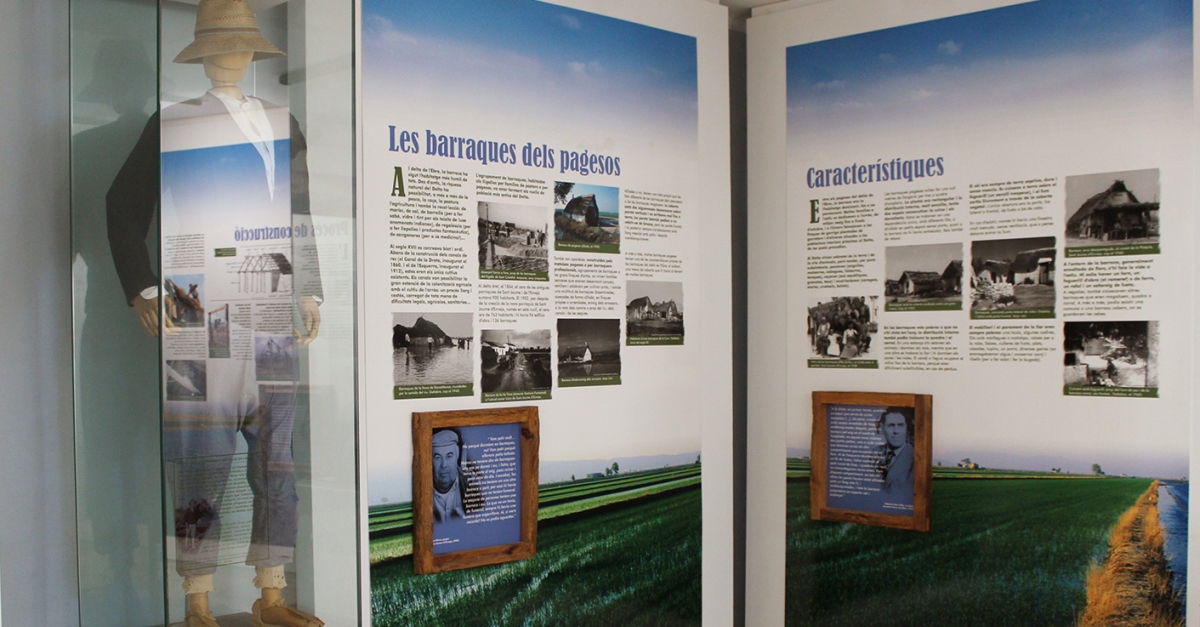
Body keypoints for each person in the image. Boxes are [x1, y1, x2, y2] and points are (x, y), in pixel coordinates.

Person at [432, 429, 484, 523]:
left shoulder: (472, 483)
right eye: (438, 457)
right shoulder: (424, 488)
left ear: (457, 455)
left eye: (449, 456)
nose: (444, 465)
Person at [875, 407, 914, 496]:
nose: (896, 431)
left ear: (906, 427)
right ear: (882, 428)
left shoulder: (915, 457)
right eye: (891, 425)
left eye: (900, 425)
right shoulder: (875, 453)